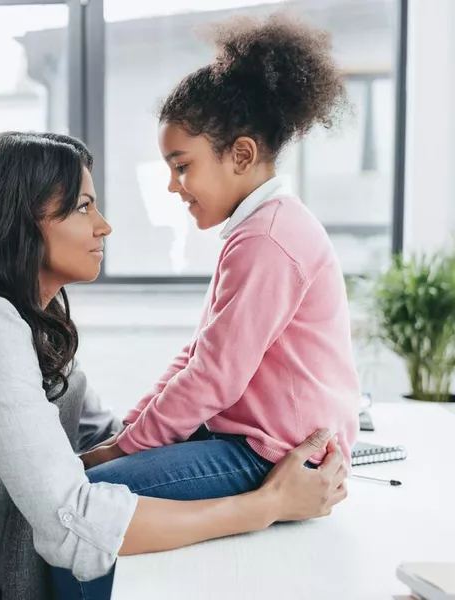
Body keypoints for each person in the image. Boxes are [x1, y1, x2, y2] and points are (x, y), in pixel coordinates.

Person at [0, 131, 346, 600]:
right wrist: (266, 504)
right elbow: (74, 521)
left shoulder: (29, 335)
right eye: (82, 207)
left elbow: (107, 440)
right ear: (20, 223)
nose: (104, 225)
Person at [56, 12, 360, 599]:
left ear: (241, 155)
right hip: (248, 443)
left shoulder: (269, 240)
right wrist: (130, 432)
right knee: (93, 474)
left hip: (269, 457)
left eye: (182, 165)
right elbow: (201, 353)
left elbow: (212, 376)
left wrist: (123, 447)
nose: (173, 186)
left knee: (86, 508)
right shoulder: (259, 231)